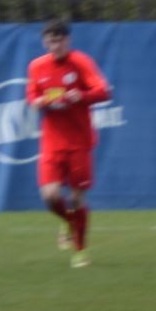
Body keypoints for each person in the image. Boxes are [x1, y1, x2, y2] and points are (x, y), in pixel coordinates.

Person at [26, 19, 112, 268]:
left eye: (60, 40)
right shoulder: (37, 66)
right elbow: (32, 96)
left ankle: (80, 251)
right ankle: (69, 221)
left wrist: (81, 96)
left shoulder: (81, 62)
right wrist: (40, 101)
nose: (56, 45)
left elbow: (104, 91)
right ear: (45, 43)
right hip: (52, 143)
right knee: (50, 196)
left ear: (68, 40)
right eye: (51, 41)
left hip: (79, 142)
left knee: (76, 199)